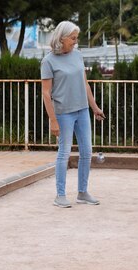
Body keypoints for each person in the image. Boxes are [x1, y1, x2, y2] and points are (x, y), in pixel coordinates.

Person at [41, 21, 106, 208]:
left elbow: (84, 83)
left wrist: (94, 107)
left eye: (76, 38)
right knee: (64, 153)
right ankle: (60, 195)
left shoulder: (78, 55)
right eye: (73, 38)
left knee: (87, 152)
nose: (76, 42)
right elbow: (46, 93)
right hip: (63, 113)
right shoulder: (48, 61)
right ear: (62, 38)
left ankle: (82, 192)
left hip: (82, 110)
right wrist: (53, 120)